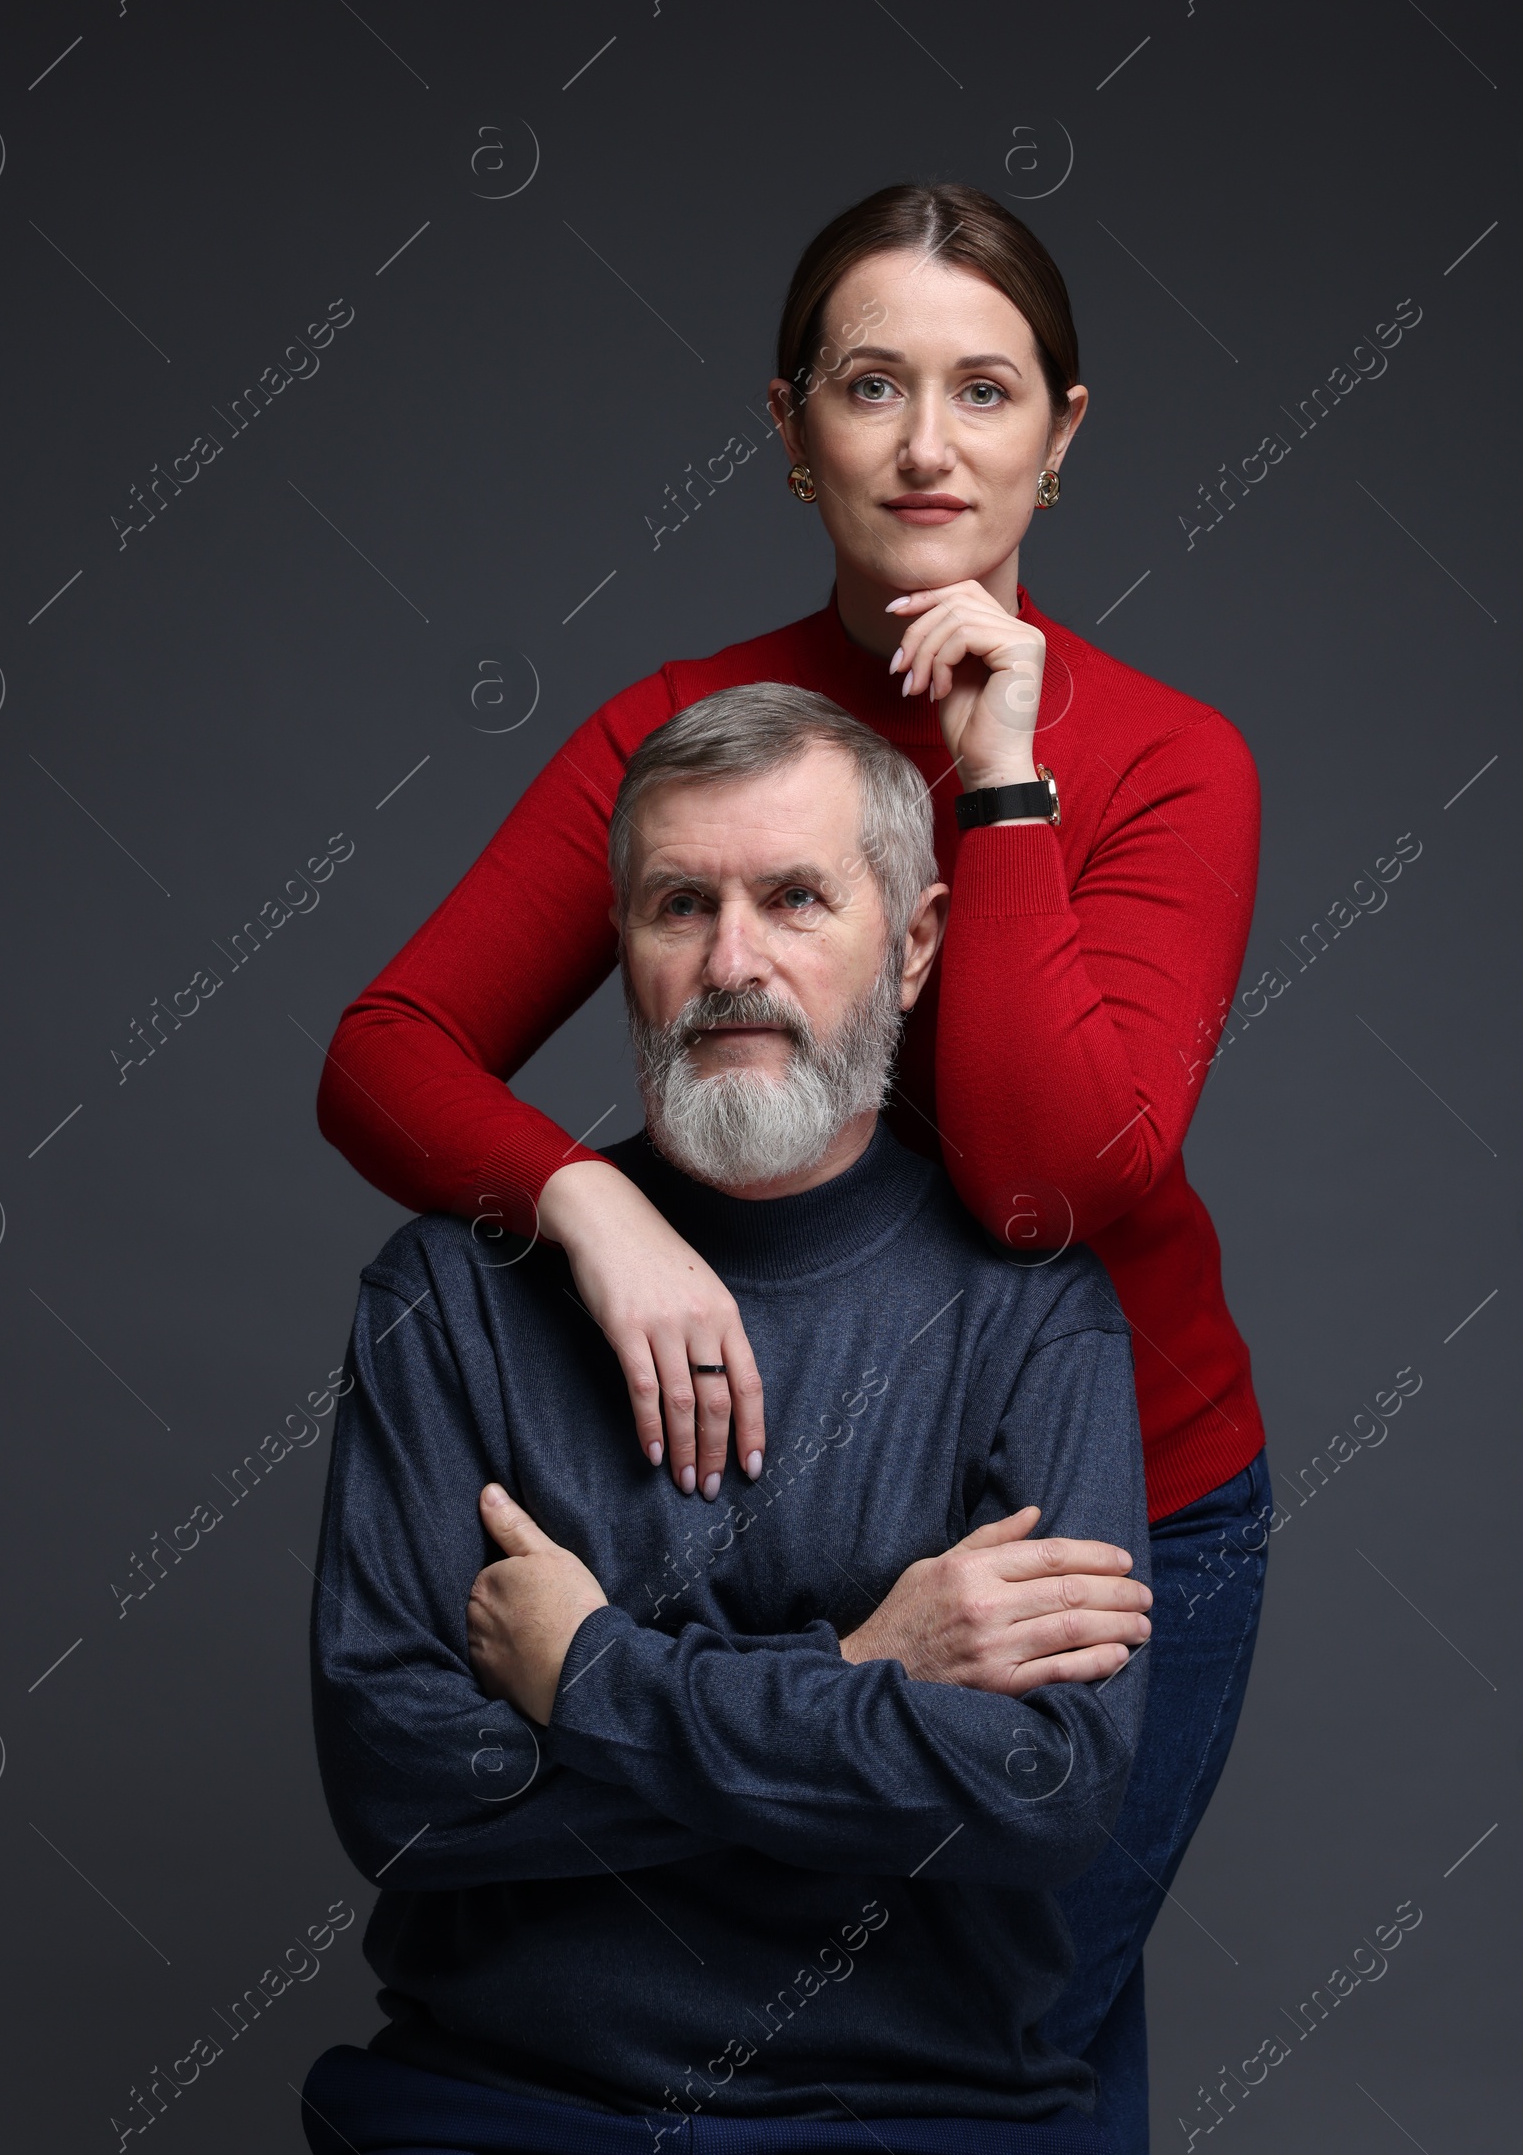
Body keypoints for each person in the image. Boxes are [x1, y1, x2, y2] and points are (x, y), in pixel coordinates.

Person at [317, 182, 1271, 2144]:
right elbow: (382, 1056)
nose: (925, 445)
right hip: (733, 1443)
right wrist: (584, 1208)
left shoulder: (1169, 761)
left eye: (981, 390)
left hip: (1084, 1483)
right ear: (789, 430)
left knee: (998, 2045)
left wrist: (998, 776)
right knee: (741, 1976)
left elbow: (1032, 1189)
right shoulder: (675, 739)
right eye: (868, 385)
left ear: (1059, 435)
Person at [302, 687, 1154, 2155]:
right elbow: (407, 1799)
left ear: (917, 948)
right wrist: (867, 1670)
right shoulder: (451, 1299)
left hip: (913, 2119)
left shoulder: (1032, 1315)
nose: (731, 962)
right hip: (502, 2108)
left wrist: (590, 1680)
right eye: (678, 904)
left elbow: (1041, 1793)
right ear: (623, 949)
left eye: (797, 898)